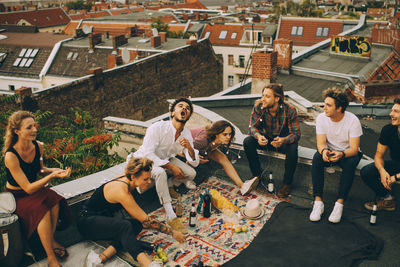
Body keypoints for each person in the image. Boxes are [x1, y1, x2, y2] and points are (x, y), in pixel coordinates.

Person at [77, 157, 185, 267]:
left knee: (136, 225)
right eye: (145, 179)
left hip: (102, 219)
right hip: (87, 223)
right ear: (133, 176)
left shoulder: (128, 181)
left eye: (149, 178)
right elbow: (147, 220)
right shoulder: (121, 191)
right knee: (125, 226)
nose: (149, 182)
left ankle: (99, 259)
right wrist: (173, 233)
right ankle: (148, 264)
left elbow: (142, 221)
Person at [3, 111, 72, 267]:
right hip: (17, 196)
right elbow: (27, 188)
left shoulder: (38, 146)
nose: (34, 130)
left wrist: (56, 171)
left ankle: (52, 240)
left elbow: (40, 170)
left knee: (54, 200)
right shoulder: (11, 156)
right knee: (41, 209)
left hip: (35, 189)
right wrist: (52, 176)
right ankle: (51, 257)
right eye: (29, 127)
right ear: (17, 131)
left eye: (34, 125)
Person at [127, 98, 199, 234]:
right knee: (160, 172)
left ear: (188, 116)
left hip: (166, 158)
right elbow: (148, 153)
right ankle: (170, 214)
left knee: (191, 173)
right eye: (180, 106)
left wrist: (189, 147)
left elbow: (193, 161)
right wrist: (171, 167)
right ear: (172, 113)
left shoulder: (186, 133)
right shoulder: (157, 127)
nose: (184, 109)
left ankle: (169, 184)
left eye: (187, 108)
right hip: (144, 159)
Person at [309, 88, 363, 223]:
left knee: (350, 164)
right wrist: (324, 152)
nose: (324, 108)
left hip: (347, 152)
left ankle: (339, 204)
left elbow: (354, 149)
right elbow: (320, 144)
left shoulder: (353, 120)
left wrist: (341, 154)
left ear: (339, 108)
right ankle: (318, 202)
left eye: (328, 105)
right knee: (316, 159)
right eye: (324, 104)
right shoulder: (321, 118)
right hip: (330, 151)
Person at [243, 83, 300, 198]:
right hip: (267, 138)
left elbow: (296, 134)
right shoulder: (259, 107)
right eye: (263, 95)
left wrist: (284, 140)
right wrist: (259, 136)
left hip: (282, 140)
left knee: (293, 147)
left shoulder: (290, 110)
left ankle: (287, 184)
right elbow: (252, 127)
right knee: (248, 141)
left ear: (277, 98)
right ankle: (257, 176)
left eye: (267, 96)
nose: (263, 99)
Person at [191, 120, 259, 195]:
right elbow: (185, 149)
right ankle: (187, 180)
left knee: (223, 158)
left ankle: (242, 186)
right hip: (184, 150)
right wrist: (195, 157)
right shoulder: (203, 140)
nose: (228, 137)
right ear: (216, 134)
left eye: (230, 134)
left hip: (206, 148)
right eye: (225, 134)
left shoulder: (216, 140)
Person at [361, 98, 400, 211]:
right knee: (367, 172)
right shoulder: (388, 130)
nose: (391, 114)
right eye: (392, 110)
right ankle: (387, 199)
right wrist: (382, 171)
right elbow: (378, 156)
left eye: (396, 111)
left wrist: (395, 177)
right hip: (397, 164)